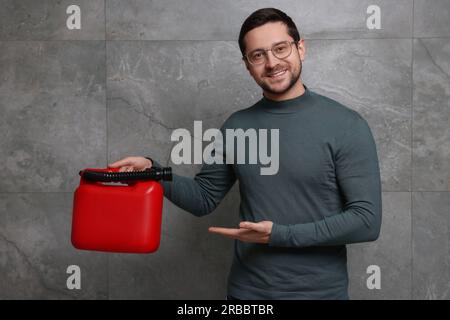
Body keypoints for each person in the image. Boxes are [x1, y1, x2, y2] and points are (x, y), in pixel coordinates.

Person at [109, 8, 382, 300]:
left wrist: (278, 235)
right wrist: (154, 170)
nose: (272, 63)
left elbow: (366, 221)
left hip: (319, 295)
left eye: (280, 48)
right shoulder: (237, 126)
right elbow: (203, 197)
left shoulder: (346, 125)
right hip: (246, 295)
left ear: (300, 48)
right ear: (247, 65)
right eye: (258, 55)